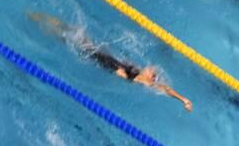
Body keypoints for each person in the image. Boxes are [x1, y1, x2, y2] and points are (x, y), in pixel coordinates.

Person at [29, 12, 193, 111]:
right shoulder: (138, 74)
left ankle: (41, 23)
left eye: (153, 72)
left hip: (98, 57)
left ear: (149, 79)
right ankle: (47, 22)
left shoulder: (139, 80)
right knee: (73, 32)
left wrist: (182, 99)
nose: (151, 68)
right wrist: (183, 98)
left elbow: (164, 88)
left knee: (69, 38)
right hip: (103, 55)